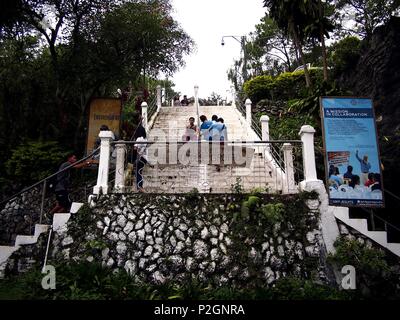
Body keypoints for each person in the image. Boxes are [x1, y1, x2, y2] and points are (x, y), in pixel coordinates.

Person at [133, 125, 153, 192]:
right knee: (139, 172)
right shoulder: (145, 139)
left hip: (140, 157)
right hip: (145, 158)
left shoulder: (139, 139)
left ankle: (140, 187)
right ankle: (139, 187)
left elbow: (135, 148)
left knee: (138, 172)